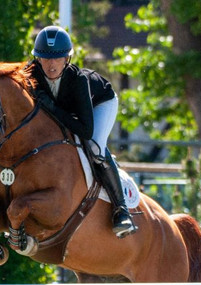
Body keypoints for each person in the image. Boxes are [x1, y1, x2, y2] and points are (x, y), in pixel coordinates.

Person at [27, 25, 136, 238]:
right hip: (69, 110)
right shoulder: (30, 74)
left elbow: (85, 130)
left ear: (67, 59)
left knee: (95, 147)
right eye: (45, 58)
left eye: (57, 58)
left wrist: (53, 109)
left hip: (100, 104)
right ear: (37, 59)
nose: (51, 64)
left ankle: (121, 210)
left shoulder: (78, 80)